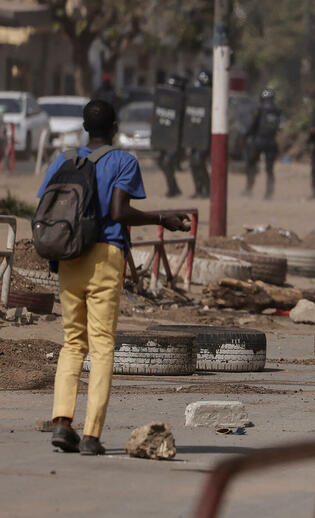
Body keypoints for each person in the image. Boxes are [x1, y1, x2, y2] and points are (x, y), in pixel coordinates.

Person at [39, 100, 189, 455]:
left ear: (84, 126)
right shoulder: (123, 161)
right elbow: (118, 211)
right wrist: (160, 218)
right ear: (116, 126)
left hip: (68, 256)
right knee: (102, 343)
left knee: (73, 342)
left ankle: (62, 423)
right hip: (105, 255)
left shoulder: (62, 160)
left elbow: (46, 207)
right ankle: (91, 434)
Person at [244, 87, 281, 199]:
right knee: (269, 169)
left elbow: (253, 126)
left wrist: (245, 136)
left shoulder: (259, 110)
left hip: (259, 141)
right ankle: (269, 193)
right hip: (271, 142)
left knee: (251, 164)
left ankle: (249, 188)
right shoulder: (277, 111)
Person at [153, 74, 186, 198]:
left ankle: (173, 189)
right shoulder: (165, 101)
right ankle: (174, 187)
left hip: (176, 140)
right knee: (161, 162)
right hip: (165, 138)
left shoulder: (183, 102)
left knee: (167, 162)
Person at [186, 70, 212, 199]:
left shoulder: (213, 99)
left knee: (199, 161)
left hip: (206, 138)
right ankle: (198, 190)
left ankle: (207, 190)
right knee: (193, 163)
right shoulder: (193, 98)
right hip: (194, 137)